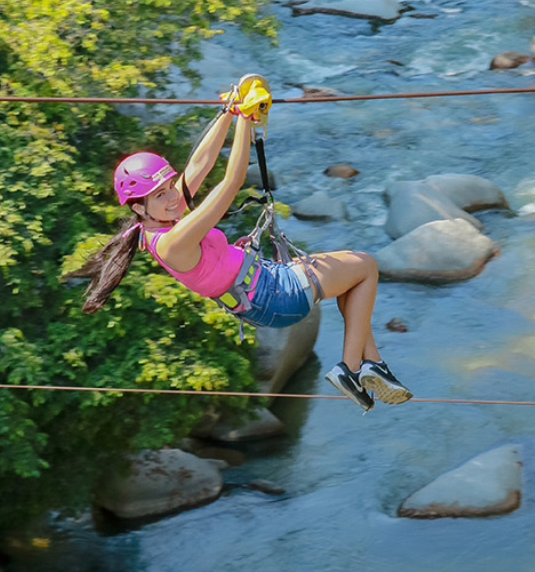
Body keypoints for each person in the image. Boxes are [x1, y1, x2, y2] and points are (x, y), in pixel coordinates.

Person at [71, 77, 412, 412]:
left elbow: (201, 164)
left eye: (172, 186)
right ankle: (351, 369)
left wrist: (228, 112)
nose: (174, 197)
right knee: (365, 265)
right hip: (275, 296)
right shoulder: (174, 240)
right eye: (160, 194)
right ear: (138, 207)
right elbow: (231, 182)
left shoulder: (163, 218)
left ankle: (372, 364)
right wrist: (246, 123)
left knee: (353, 281)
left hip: (264, 292)